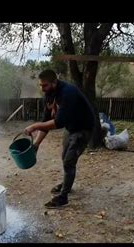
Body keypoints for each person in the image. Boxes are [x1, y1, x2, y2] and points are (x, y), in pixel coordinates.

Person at [24, 69, 95, 208]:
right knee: (65, 158)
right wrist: (36, 144)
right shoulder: (50, 95)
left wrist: (34, 126)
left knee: (69, 161)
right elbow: (46, 120)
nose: (42, 88)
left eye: (45, 85)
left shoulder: (68, 93)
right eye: (40, 85)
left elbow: (58, 123)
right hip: (71, 128)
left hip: (83, 128)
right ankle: (67, 183)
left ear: (54, 82)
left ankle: (63, 197)